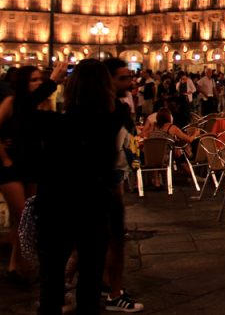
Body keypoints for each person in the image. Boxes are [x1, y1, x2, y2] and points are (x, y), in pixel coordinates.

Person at [37, 59, 123, 315]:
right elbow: (116, 100)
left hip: (56, 208)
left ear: (70, 88)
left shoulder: (55, 124)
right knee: (91, 280)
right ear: (106, 87)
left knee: (51, 280)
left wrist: (51, 82)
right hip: (95, 206)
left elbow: (20, 111)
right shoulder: (112, 119)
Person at [0, 63, 65, 282]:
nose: (38, 83)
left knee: (25, 218)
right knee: (23, 215)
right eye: (34, 80)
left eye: (40, 79)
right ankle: (17, 264)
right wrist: (5, 157)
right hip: (11, 166)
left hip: (34, 165)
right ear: (22, 83)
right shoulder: (12, 102)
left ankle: (15, 261)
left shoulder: (45, 105)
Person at [101, 58, 145, 313]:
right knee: (114, 238)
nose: (130, 82)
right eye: (123, 78)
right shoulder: (110, 109)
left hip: (111, 176)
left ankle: (102, 285)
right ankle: (113, 292)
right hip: (104, 178)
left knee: (99, 238)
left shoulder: (113, 106)